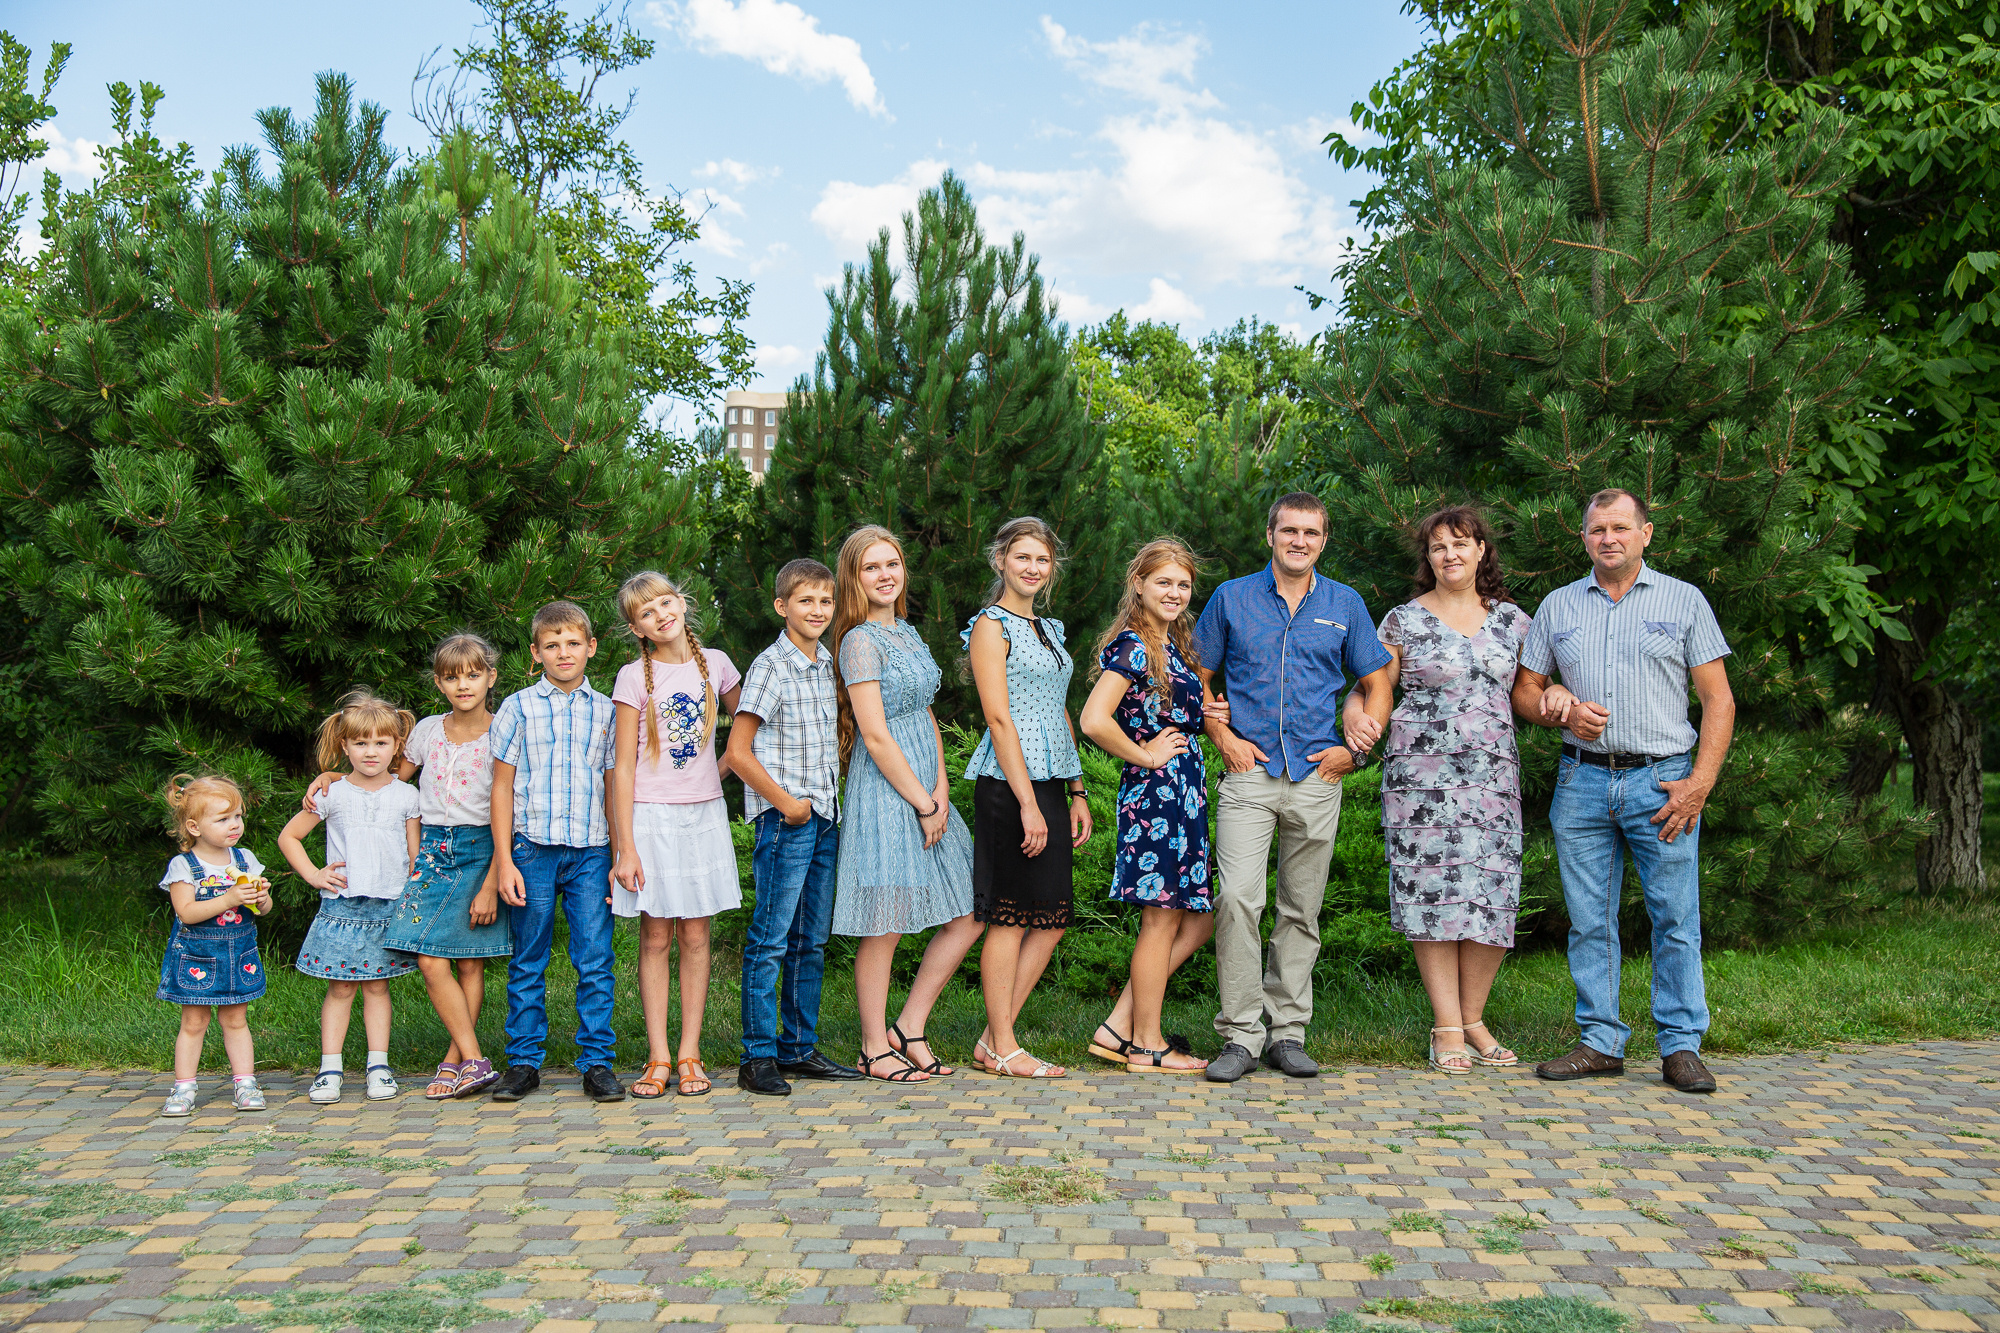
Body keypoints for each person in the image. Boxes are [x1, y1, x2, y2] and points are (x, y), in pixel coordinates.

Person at [1511, 488, 1736, 1094]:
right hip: (1581, 781)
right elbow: (1525, 692)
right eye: (1595, 530)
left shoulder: (1683, 601)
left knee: (1674, 917)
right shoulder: (1558, 607)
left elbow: (1718, 699)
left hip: (1661, 781)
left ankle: (1681, 1046)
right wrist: (1556, 708)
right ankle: (1600, 1041)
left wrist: (1698, 785)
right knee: (1589, 921)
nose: (1607, 538)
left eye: (1619, 527)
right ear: (1583, 539)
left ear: (1645, 534)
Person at [1192, 492, 1395, 1083]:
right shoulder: (1232, 598)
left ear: (1323, 541)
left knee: (1300, 909)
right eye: (1289, 531)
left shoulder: (1345, 604)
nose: (1299, 541)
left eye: (1310, 533)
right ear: (1271, 534)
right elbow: (1198, 678)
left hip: (1316, 774)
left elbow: (1376, 679)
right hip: (1248, 772)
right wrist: (1220, 735)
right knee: (1236, 899)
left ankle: (1286, 1032)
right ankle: (1239, 1034)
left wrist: (1356, 748)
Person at [1349, 508, 1533, 1075]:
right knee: (1433, 896)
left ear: (1482, 550)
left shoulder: (1514, 621)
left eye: (1460, 543)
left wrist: (1560, 704)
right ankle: (1445, 1026)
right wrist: (1357, 722)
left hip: (1492, 778)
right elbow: (1366, 689)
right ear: (1427, 559)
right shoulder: (1401, 621)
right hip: (1421, 780)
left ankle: (1474, 1020)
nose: (1449, 554)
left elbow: (1529, 694)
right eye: (1437, 547)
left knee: (1491, 895)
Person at [830, 525, 983, 1084]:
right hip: (887, 790)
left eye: (892, 563)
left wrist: (940, 789)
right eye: (872, 567)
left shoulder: (911, 635)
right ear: (854, 577)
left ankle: (909, 1027)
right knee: (886, 921)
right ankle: (873, 1046)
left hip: (927, 788)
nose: (885, 575)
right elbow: (875, 734)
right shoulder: (858, 641)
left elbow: (924, 718)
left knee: (969, 911)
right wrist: (920, 801)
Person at [1078, 538, 1219, 1074]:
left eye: (1183, 585)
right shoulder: (1134, 644)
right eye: (1164, 582)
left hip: (1181, 792)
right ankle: (1146, 1044)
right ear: (1138, 583)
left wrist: (1209, 717)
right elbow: (1094, 719)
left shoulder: (1171, 644)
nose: (1175, 593)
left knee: (1195, 917)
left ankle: (1119, 1026)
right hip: (1156, 795)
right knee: (1160, 922)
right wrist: (1147, 753)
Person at [726, 558, 864, 1096]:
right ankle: (756, 1057)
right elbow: (737, 752)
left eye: (826, 601)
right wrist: (788, 804)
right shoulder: (770, 666)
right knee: (771, 937)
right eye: (806, 601)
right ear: (782, 607)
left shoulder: (827, 661)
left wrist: (820, 806)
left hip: (826, 817)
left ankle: (798, 1048)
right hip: (788, 821)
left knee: (811, 939)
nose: (818, 610)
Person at [962, 517, 1092, 1079]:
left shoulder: (1051, 629)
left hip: (1051, 781)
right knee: (1010, 917)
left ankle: (994, 1038)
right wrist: (1028, 804)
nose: (1033, 568)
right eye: (1022, 558)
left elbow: (1061, 711)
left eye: (1042, 560)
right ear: (1001, 561)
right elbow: (998, 717)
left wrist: (1076, 788)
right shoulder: (991, 627)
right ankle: (1006, 1047)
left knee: (1052, 916)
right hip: (1008, 783)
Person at [609, 570, 743, 1099]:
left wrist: (718, 774)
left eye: (666, 602)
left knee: (695, 935)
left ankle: (691, 1053)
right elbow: (621, 766)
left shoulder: (719, 665)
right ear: (637, 628)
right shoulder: (631, 678)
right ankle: (658, 1056)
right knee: (657, 936)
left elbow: (751, 731)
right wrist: (626, 845)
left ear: (681, 603)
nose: (661, 614)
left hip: (703, 817)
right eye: (647, 612)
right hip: (650, 820)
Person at [488, 601, 625, 1104]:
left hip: (591, 850)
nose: (562, 652)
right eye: (551, 645)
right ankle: (523, 1062)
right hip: (532, 850)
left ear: (591, 647)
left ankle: (597, 1062)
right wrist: (504, 860)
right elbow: (500, 788)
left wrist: (618, 854)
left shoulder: (609, 711)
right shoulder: (518, 707)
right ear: (535, 653)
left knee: (595, 956)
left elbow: (615, 786)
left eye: (573, 643)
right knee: (528, 958)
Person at [278, 691, 422, 1104]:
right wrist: (313, 875)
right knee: (341, 987)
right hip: (342, 905)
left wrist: (414, 893)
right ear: (344, 746)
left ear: (397, 746)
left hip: (388, 904)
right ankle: (330, 1069)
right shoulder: (331, 794)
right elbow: (289, 836)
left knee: (377, 988)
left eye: (381, 743)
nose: (371, 751)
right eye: (360, 743)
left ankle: (379, 1066)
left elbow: (415, 855)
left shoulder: (406, 797)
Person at [156, 773, 276, 1116]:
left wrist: (260, 898)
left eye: (237, 816)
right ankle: (183, 1087)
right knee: (193, 1022)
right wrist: (229, 898)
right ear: (194, 827)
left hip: (239, 955)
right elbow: (188, 913)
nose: (234, 825)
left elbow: (263, 911)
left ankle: (245, 1083)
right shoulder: (184, 866)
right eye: (223, 819)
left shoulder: (245, 859)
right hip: (197, 957)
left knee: (236, 1020)